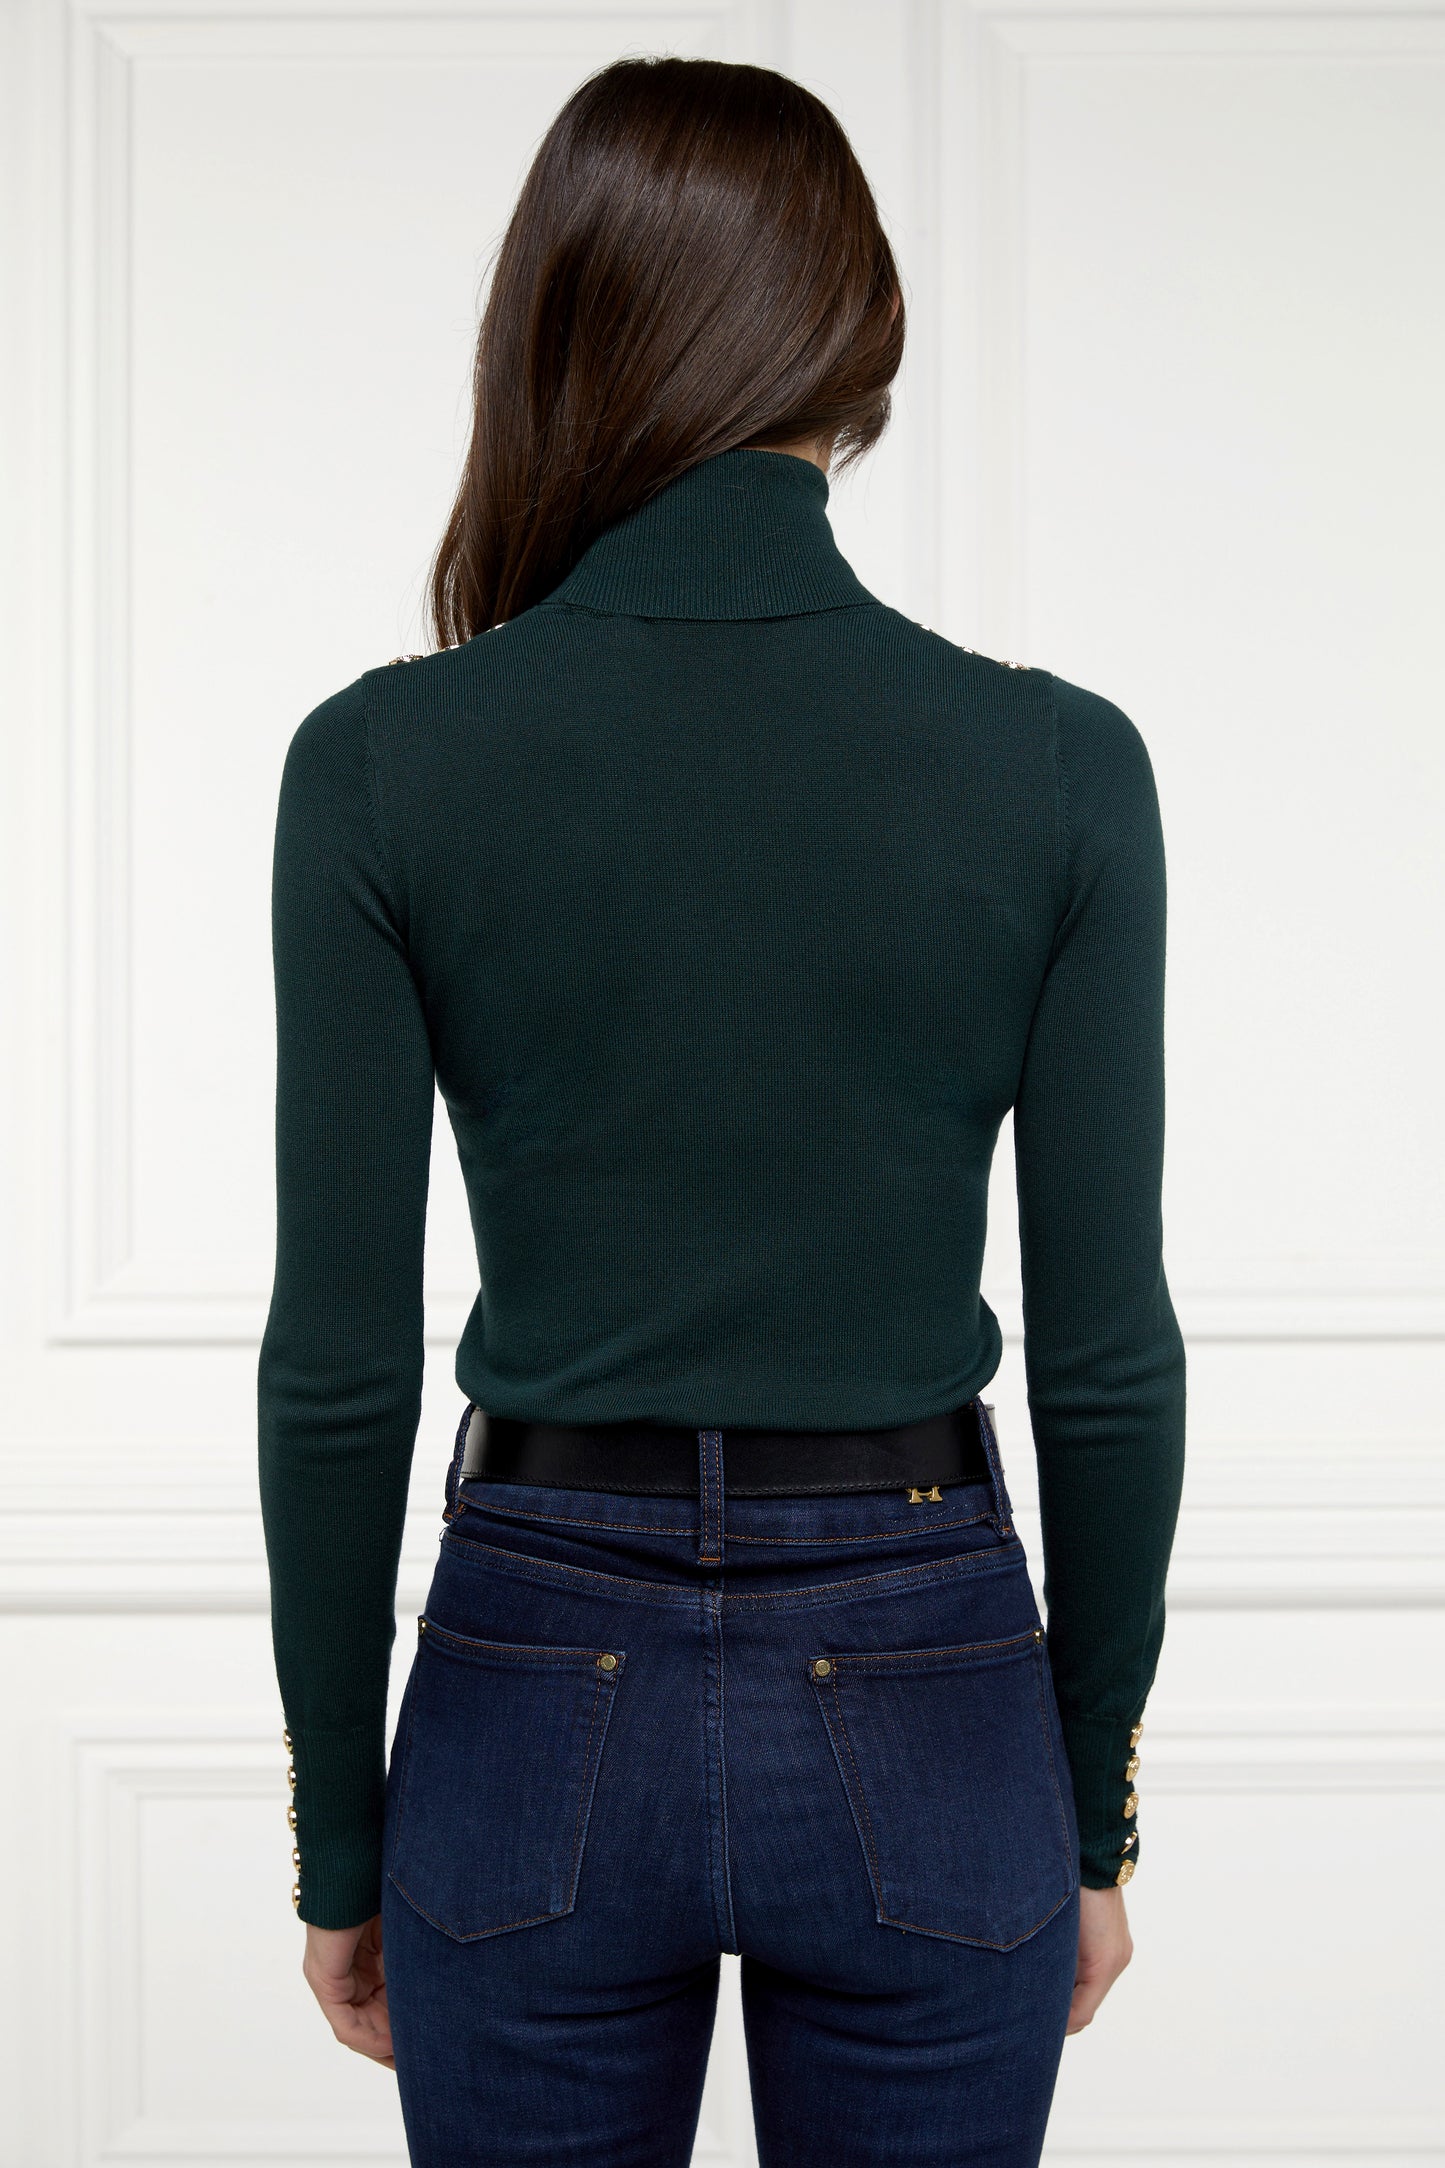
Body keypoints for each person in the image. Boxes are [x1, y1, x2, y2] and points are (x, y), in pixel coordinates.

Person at [257, 52, 1186, 2168]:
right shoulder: (1057, 768)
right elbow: (1109, 1362)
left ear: (557, 325)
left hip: (530, 1681)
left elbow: (338, 1366)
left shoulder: (383, 763)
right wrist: (1089, 1809)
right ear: (854, 336)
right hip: (931, 1674)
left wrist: (339, 1842)